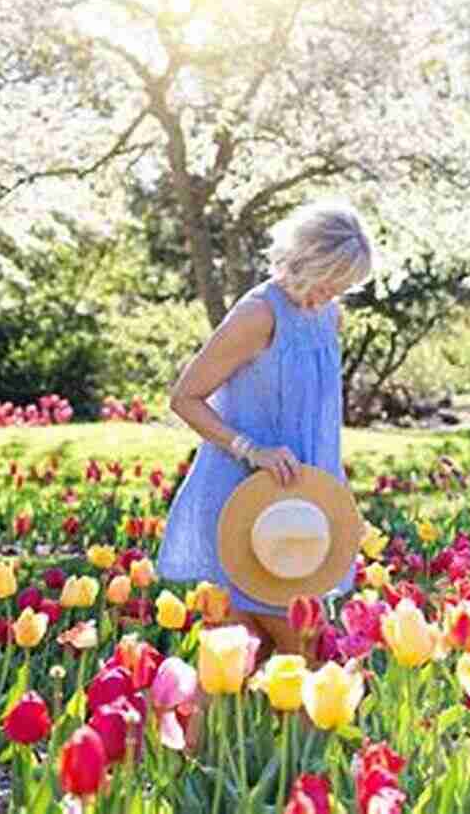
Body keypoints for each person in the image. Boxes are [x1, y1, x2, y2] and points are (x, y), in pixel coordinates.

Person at [157, 199, 379, 658]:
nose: (329, 296)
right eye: (326, 282)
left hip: (303, 506)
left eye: (341, 288)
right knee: (264, 654)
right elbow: (185, 398)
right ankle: (175, 730)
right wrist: (251, 450)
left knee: (268, 659)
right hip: (247, 501)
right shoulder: (258, 315)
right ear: (303, 259)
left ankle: (218, 732)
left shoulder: (328, 316)